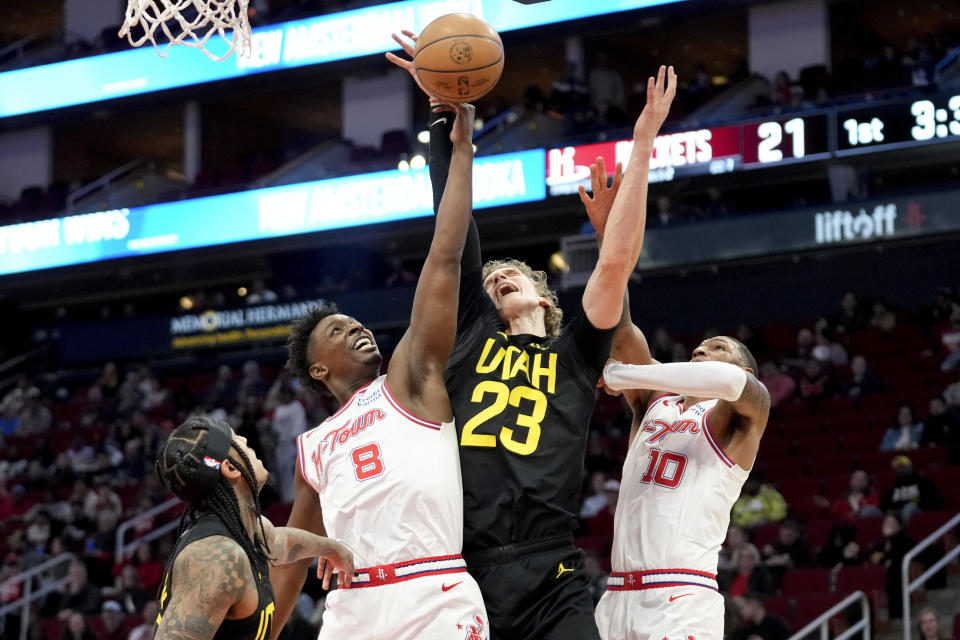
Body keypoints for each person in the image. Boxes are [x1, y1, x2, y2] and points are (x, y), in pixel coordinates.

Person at [387, 29, 677, 640]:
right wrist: (444, 117)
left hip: (552, 570)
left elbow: (615, 266)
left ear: (545, 296)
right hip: (465, 568)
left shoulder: (575, 354)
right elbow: (454, 229)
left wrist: (644, 142)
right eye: (490, 281)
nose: (496, 280)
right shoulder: (471, 335)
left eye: (510, 275)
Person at [272, 103, 490, 639]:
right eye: (339, 330)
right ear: (318, 367)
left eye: (355, 322)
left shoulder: (409, 378)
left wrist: (460, 153)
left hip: (433, 592)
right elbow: (294, 556)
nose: (356, 329)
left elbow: (444, 256)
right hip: (352, 611)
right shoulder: (314, 447)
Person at [592, 329, 771, 637]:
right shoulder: (655, 400)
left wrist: (618, 374)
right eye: (698, 347)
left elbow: (729, 383)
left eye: (717, 348)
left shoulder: (746, 409)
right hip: (617, 594)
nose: (701, 350)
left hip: (681, 593)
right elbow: (621, 332)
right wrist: (615, 277)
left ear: (745, 371)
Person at [154, 416, 354, 640]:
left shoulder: (246, 532)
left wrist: (331, 548)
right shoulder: (215, 557)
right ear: (230, 467)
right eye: (236, 439)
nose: (245, 439)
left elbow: (282, 542)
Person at [879, 454, 942, 523]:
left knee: (909, 507)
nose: (901, 469)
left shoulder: (922, 482)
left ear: (910, 466)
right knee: (870, 511)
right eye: (897, 467)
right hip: (896, 513)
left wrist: (911, 502)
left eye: (902, 466)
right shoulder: (892, 487)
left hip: (917, 512)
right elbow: (884, 506)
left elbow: (932, 501)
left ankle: (906, 533)